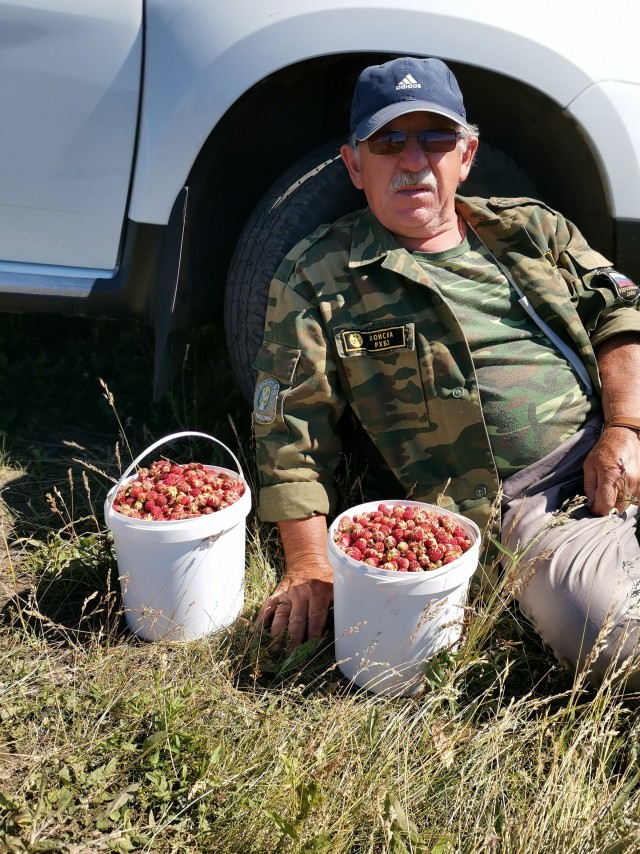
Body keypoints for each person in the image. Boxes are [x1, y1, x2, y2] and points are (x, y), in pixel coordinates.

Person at [253, 56, 640, 687]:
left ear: (467, 154)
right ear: (354, 164)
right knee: (606, 630)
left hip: (617, 437)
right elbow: (289, 430)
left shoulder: (529, 229)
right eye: (389, 141)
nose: (413, 160)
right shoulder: (318, 277)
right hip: (526, 503)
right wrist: (308, 564)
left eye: (435, 138)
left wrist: (625, 427)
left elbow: (621, 312)